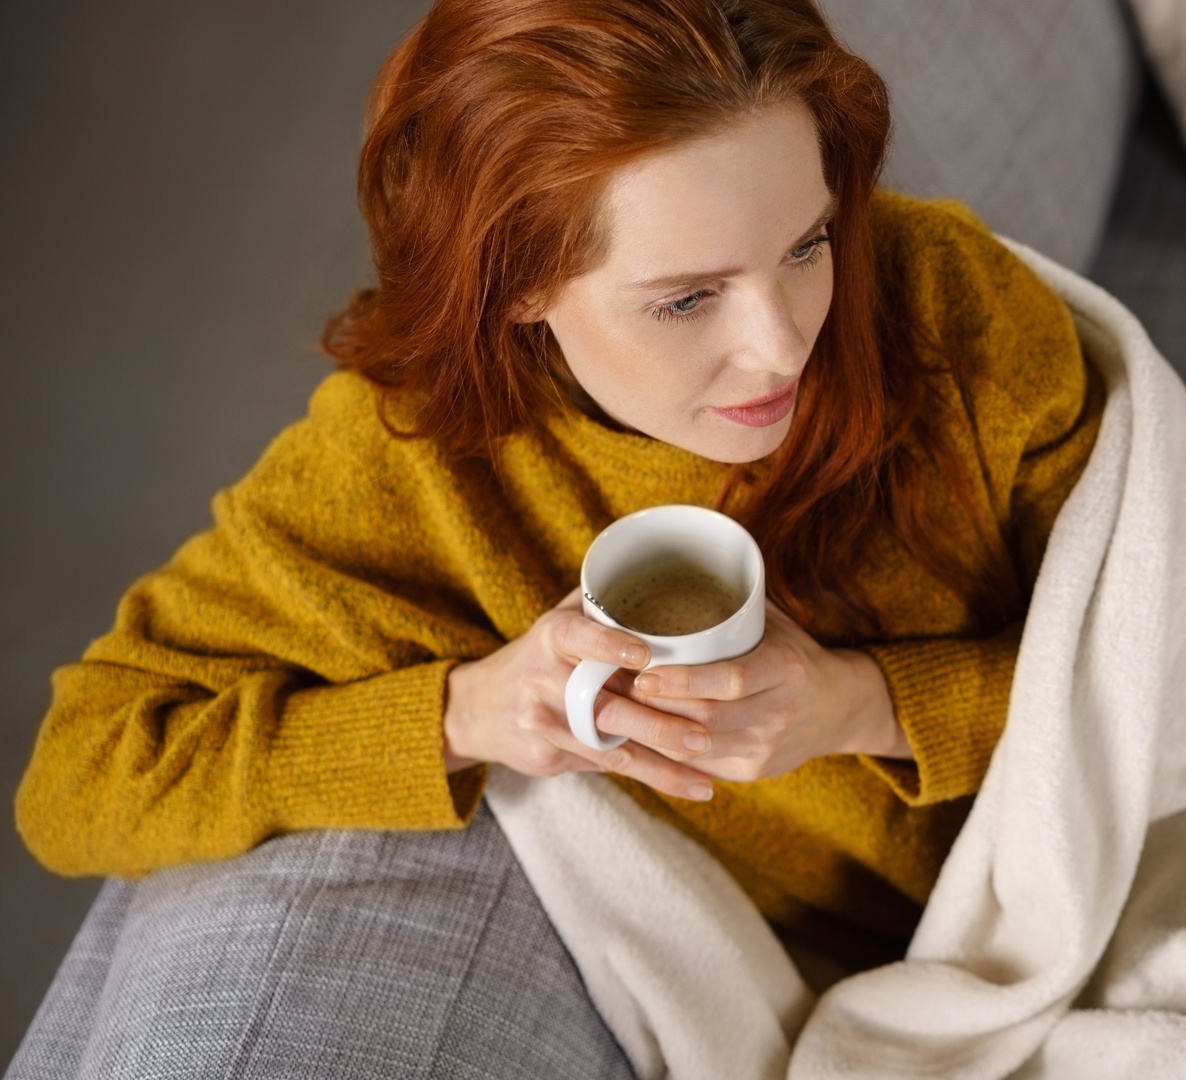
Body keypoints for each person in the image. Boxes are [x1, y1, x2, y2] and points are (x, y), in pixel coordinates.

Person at [16, 0, 1099, 997]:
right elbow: (79, 780)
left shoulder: (943, 295)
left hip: (1118, 864)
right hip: (854, 995)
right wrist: (471, 712)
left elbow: (1167, 649)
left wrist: (860, 705)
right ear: (518, 281)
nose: (782, 345)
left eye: (806, 244)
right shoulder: (409, 469)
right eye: (686, 298)